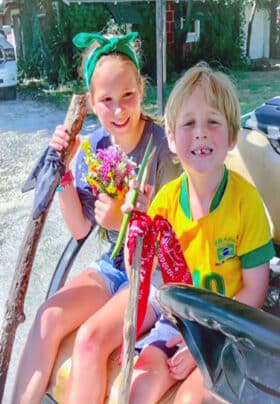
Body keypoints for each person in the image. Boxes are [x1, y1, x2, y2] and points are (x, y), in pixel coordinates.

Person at [11, 32, 182, 404]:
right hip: (114, 267)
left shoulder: (164, 151)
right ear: (90, 102)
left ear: (142, 89)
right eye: (106, 100)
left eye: (128, 96)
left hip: (153, 274)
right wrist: (66, 173)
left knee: (90, 339)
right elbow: (79, 228)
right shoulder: (93, 149)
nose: (118, 111)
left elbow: (178, 240)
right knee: (47, 317)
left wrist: (122, 224)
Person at [122, 61, 275, 403]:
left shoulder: (244, 203)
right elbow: (151, 278)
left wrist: (203, 340)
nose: (201, 132)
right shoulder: (165, 203)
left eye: (213, 122)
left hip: (229, 333)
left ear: (232, 136)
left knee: (191, 400)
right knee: (139, 387)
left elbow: (255, 291)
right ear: (172, 140)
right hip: (178, 323)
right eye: (189, 123)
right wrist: (136, 231)